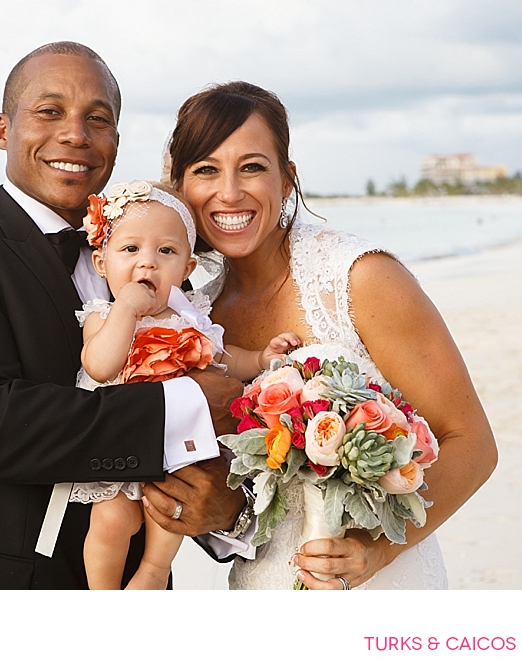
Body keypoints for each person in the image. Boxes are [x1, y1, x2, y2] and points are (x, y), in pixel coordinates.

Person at [0, 42, 249, 590]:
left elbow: (197, 423)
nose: (75, 134)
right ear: (4, 130)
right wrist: (191, 405)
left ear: (116, 143)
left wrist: (224, 509)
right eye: (49, 111)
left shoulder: (151, 260)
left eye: (97, 119)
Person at [163, 81, 499, 590]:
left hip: (378, 586)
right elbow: (244, 498)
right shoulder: (193, 319)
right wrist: (223, 512)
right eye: (206, 169)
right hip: (263, 585)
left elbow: (472, 443)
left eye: (252, 166)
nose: (228, 192)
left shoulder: (359, 278)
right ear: (181, 186)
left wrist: (375, 551)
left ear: (287, 177)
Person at [65, 179, 297, 589]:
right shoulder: (102, 316)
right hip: (120, 445)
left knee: (168, 511)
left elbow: (227, 358)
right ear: (102, 263)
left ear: (188, 268)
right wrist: (127, 310)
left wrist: (262, 358)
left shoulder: (191, 320)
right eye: (130, 249)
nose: (147, 263)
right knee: (111, 519)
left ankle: (153, 573)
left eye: (166, 251)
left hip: (176, 452)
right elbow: (100, 367)